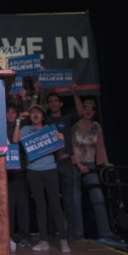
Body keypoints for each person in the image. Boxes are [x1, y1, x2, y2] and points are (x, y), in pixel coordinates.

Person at [12, 104, 71, 253]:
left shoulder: (50, 130)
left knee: (55, 205)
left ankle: (63, 240)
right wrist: (18, 121)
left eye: (38, 112)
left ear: (43, 116)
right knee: (40, 206)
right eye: (32, 112)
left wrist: (63, 140)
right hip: (33, 171)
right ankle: (43, 240)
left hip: (50, 169)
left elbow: (60, 152)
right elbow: (14, 141)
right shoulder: (25, 130)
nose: (35, 114)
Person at [43, 85, 85, 241]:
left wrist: (74, 93)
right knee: (52, 202)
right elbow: (33, 113)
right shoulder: (45, 119)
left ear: (60, 104)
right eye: (50, 101)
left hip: (66, 163)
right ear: (48, 105)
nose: (53, 104)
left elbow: (81, 113)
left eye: (56, 101)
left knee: (69, 201)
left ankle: (72, 234)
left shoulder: (67, 118)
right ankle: (52, 234)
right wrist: (36, 94)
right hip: (50, 163)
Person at [71, 99, 116, 240]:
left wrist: (105, 163)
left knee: (98, 198)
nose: (89, 110)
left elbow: (100, 146)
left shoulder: (96, 126)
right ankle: (78, 234)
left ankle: (105, 232)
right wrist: (78, 164)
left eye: (92, 108)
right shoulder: (74, 125)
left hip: (90, 164)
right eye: (86, 107)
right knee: (75, 200)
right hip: (74, 165)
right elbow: (70, 146)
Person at [6, 103, 31, 248]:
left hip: (20, 170)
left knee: (22, 205)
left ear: (17, 114)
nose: (10, 115)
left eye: (13, 112)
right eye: (8, 112)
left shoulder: (23, 126)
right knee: (9, 206)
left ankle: (24, 236)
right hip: (5, 172)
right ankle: (8, 235)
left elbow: (16, 141)